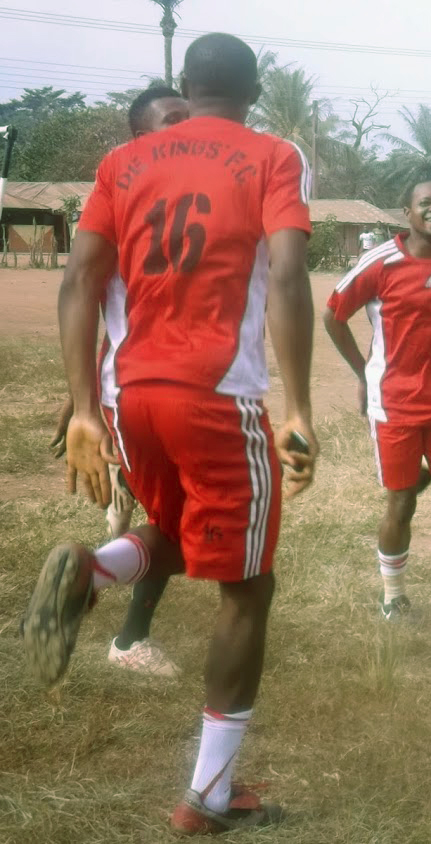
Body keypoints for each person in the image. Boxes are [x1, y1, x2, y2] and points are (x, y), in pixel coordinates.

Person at [22, 32, 317, 834]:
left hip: (130, 394)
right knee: (248, 588)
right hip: (217, 394)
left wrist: (85, 407)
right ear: (255, 90)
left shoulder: (123, 162)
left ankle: (95, 569)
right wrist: (298, 407)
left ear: (185, 85)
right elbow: (289, 276)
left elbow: (80, 281)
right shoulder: (273, 156)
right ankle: (209, 797)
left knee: (182, 533)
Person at [48, 85, 190, 679]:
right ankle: (125, 630)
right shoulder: (118, 200)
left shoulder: (208, 200)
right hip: (140, 395)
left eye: (191, 118)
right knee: (184, 530)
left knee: (196, 524)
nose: (187, 129)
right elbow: (83, 289)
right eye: (172, 121)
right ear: (139, 140)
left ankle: (102, 572)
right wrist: (84, 402)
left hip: (200, 395)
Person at [323, 178, 431, 621]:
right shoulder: (380, 262)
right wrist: (363, 372)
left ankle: (417, 473)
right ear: (407, 212)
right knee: (400, 503)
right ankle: (393, 595)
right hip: (393, 402)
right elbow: (333, 315)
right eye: (426, 203)